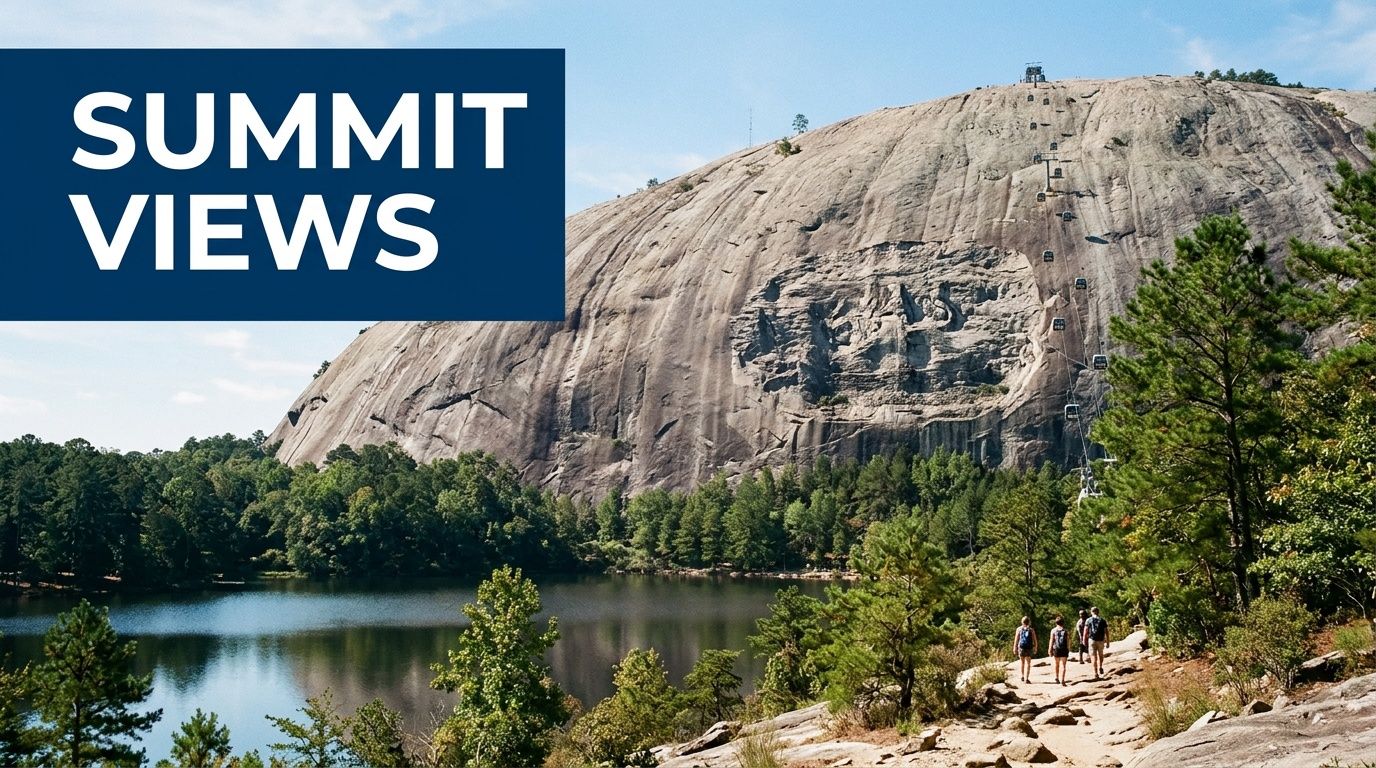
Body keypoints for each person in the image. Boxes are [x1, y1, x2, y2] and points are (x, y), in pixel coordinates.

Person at [1086, 606, 1110, 678]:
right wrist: (1108, 641)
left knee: (1093, 657)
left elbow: (1085, 631)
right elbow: (1106, 631)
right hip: (1101, 640)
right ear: (1098, 612)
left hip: (1092, 640)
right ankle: (1100, 666)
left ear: (1091, 612)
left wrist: (1084, 640)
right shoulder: (1102, 620)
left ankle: (1095, 673)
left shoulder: (1088, 620)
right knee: (1100, 654)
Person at [1013, 616, 1038, 683]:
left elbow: (1016, 639)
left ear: (1022, 621)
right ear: (1029, 622)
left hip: (1021, 647)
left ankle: (1022, 676)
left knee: (1022, 662)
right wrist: (1035, 647)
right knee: (1028, 663)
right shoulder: (1031, 630)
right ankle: (1027, 678)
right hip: (1029, 648)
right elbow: (1035, 640)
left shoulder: (1019, 629)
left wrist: (1014, 648)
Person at [1048, 615, 1070, 685]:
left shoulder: (1053, 630)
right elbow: (1068, 641)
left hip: (1056, 649)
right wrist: (1068, 649)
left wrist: (1050, 649)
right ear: (1063, 623)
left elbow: (1051, 640)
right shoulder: (1066, 631)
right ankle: (1063, 680)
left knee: (1057, 664)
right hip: (1064, 649)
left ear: (1056, 623)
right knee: (1063, 665)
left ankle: (1057, 678)